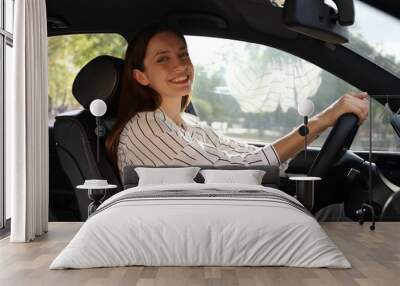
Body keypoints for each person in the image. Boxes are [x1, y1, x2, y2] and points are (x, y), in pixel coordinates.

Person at [105, 23, 369, 185]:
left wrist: (322, 124)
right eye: (163, 59)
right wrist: (324, 119)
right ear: (141, 76)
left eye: (183, 55)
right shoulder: (145, 128)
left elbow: (251, 157)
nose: (180, 65)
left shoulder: (192, 127)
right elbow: (243, 170)